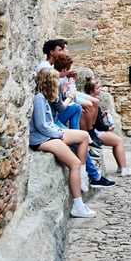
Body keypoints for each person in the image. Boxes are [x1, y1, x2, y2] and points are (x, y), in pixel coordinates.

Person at [36, 39, 114, 189]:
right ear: (52, 52)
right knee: (79, 140)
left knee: (77, 110)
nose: (65, 51)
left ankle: (84, 134)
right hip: (52, 120)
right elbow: (56, 108)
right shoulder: (48, 75)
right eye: (62, 49)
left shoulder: (53, 76)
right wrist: (69, 95)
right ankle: (92, 174)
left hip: (54, 115)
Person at [29, 68, 96, 218]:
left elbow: (52, 117)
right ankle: (78, 205)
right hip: (42, 138)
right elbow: (41, 125)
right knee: (74, 163)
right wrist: (58, 134)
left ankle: (83, 175)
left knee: (83, 136)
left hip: (49, 134)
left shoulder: (46, 97)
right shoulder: (39, 98)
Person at [83, 77, 131, 177]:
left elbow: (94, 119)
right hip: (96, 132)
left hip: (95, 130)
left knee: (116, 142)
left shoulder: (87, 101)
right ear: (91, 90)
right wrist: (108, 128)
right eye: (97, 88)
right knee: (119, 141)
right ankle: (123, 168)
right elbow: (98, 124)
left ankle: (121, 166)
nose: (99, 90)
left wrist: (101, 116)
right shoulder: (93, 103)